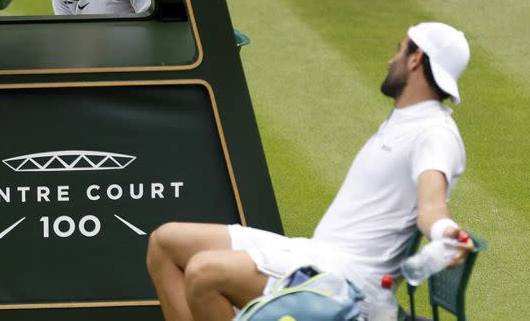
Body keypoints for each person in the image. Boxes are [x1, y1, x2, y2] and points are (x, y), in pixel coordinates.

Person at [146, 22, 475, 320]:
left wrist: (445, 232)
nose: (392, 60)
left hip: (351, 286)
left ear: (416, 59)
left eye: (400, 50)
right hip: (317, 254)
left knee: (205, 273)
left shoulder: (435, 133)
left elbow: (432, 207)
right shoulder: (407, 119)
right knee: (166, 243)